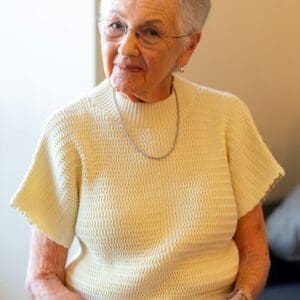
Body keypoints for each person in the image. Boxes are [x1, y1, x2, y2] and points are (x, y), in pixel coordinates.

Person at [10, 0, 285, 299]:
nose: (126, 48)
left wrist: (243, 296)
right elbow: (42, 276)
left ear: (189, 46)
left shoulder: (227, 117)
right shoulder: (69, 129)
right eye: (116, 26)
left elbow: (255, 253)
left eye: (150, 32)